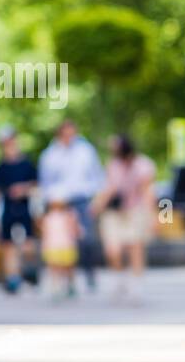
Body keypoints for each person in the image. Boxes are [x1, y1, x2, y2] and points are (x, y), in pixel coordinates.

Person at [38, 119, 104, 293]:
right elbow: (45, 181)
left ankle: (88, 273)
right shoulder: (50, 155)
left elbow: (97, 175)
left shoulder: (85, 151)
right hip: (59, 203)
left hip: (82, 199)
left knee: (86, 239)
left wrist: (96, 197)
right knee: (61, 243)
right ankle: (64, 279)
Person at [93, 133, 157, 303]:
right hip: (114, 212)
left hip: (135, 210)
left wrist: (156, 217)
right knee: (112, 249)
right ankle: (119, 277)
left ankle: (136, 285)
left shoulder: (143, 165)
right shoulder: (113, 165)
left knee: (135, 247)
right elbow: (109, 188)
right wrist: (97, 206)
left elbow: (148, 192)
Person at [0, 125, 39, 294]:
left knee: (28, 244)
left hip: (25, 208)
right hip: (8, 209)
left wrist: (23, 189)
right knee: (8, 245)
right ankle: (13, 278)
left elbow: (36, 184)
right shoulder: (1, 166)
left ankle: (30, 271)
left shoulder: (26, 164)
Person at [40, 192, 82, 299]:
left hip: (66, 244)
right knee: (54, 267)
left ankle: (70, 284)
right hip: (53, 245)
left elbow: (75, 229)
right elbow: (44, 232)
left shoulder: (70, 215)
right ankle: (56, 286)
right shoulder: (48, 217)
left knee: (68, 267)